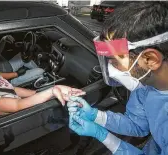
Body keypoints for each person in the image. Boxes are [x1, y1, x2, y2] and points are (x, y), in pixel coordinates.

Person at [68, 2, 168, 155]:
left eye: (115, 61)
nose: (112, 69)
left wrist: (106, 138)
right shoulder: (146, 87)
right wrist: (96, 117)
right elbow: (138, 126)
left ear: (150, 59)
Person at [0, 41, 85, 121]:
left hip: (19, 102)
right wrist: (52, 91)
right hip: (16, 119)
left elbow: (10, 88)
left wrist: (36, 94)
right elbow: (17, 106)